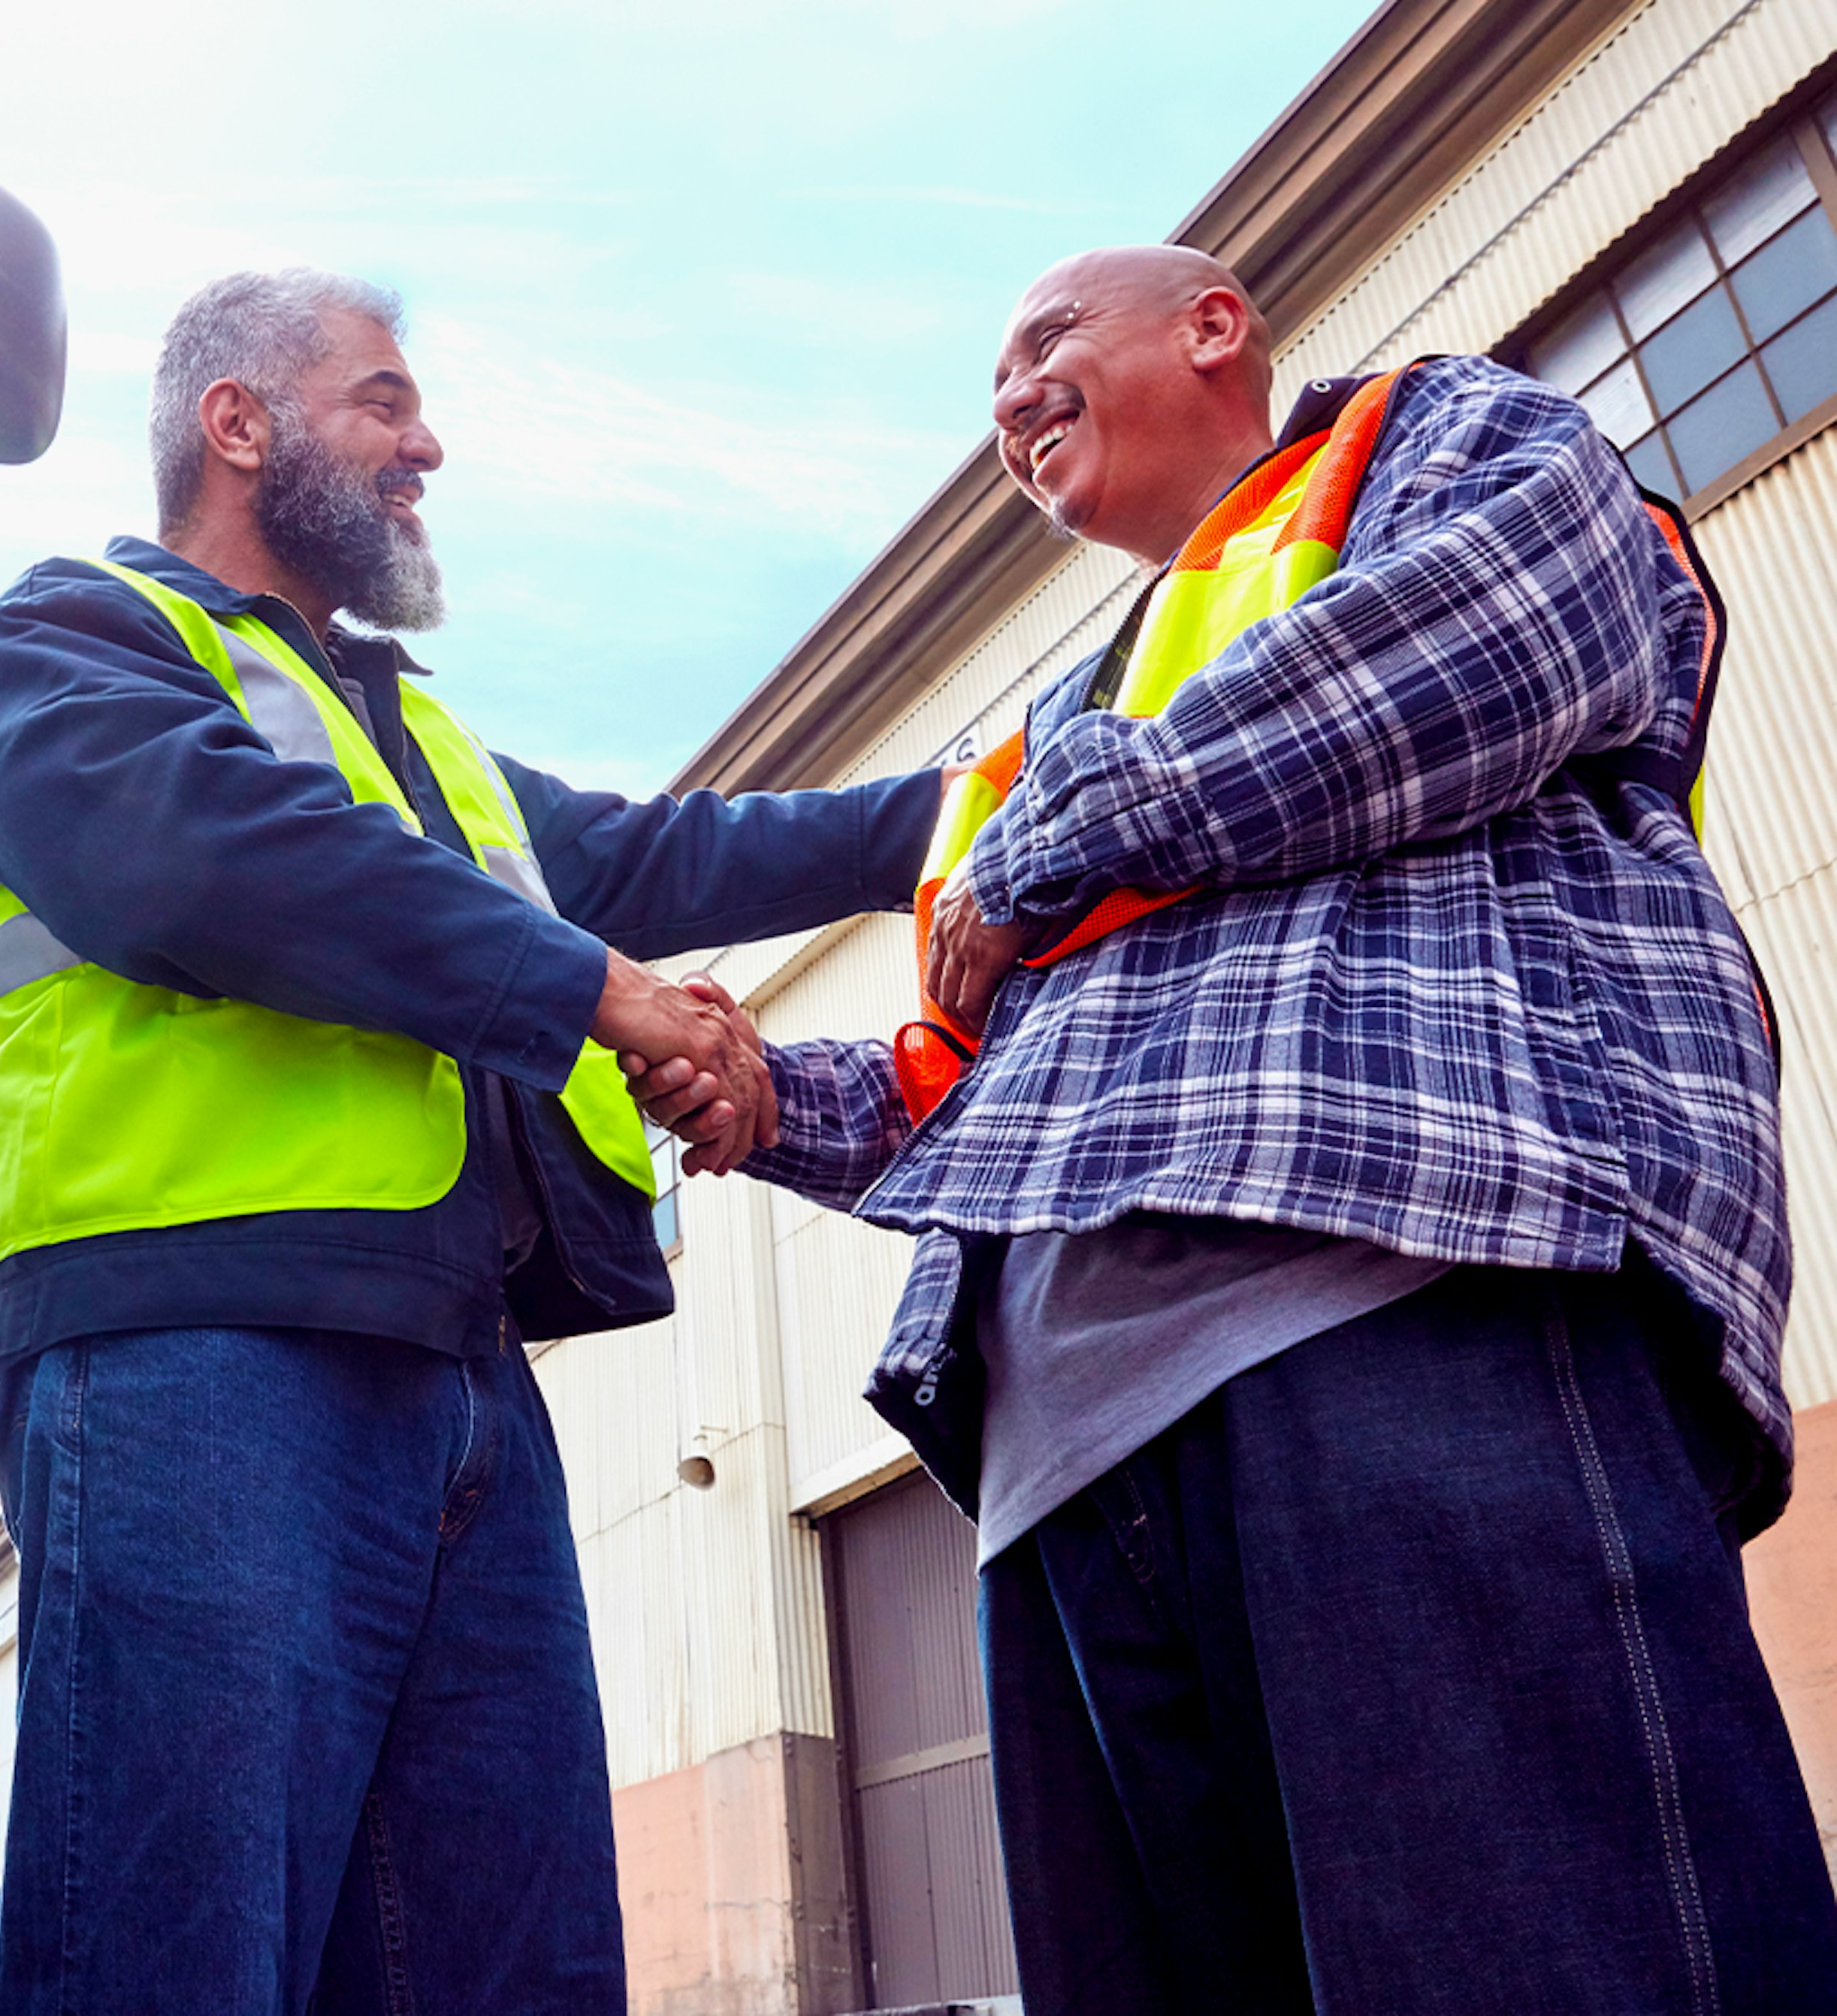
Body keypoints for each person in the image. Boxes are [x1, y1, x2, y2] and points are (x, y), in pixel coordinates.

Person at [639, 245, 1837, 2013]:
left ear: (1215, 328)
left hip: (1409, 1305)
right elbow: (985, 1085)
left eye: (1045, 339)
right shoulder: (1049, 730)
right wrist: (762, 1097)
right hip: (1065, 1466)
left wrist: (1061, 831)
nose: (1009, 401)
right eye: (990, 383)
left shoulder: (1431, 436)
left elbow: (1507, 632)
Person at [0, 268, 942, 2014]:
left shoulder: (419, 736)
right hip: (200, 1361)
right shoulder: (65, 640)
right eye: (383, 400)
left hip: (464, 1394)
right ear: (239, 423)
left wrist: (970, 809)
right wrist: (601, 993)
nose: (426, 444)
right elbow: (209, 860)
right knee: (180, 1957)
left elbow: (666, 853)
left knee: (510, 1968)